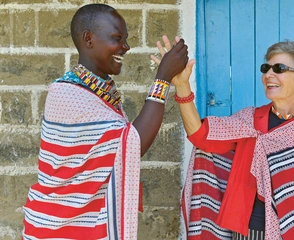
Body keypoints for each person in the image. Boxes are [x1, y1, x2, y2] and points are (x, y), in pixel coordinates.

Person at [22, 4, 188, 240]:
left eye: (126, 39)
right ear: (88, 39)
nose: (126, 47)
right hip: (59, 229)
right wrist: (162, 79)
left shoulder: (98, 92)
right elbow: (132, 144)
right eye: (117, 38)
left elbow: (124, 145)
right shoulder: (67, 95)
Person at [153, 38, 294, 239]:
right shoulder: (249, 121)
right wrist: (182, 86)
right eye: (266, 68)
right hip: (248, 229)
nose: (268, 74)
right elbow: (201, 136)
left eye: (279, 68)